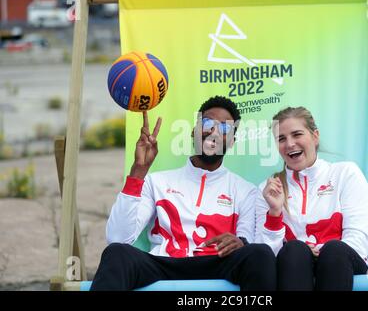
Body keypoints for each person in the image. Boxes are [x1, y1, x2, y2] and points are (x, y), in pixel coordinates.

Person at [91, 96, 276, 291]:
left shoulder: (245, 190)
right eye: (207, 123)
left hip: (217, 264)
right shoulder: (156, 181)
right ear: (194, 131)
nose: (213, 131)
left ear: (231, 142)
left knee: (259, 253)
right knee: (117, 253)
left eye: (224, 128)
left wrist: (241, 242)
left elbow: (245, 239)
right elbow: (118, 238)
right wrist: (138, 172)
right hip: (164, 265)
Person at [255, 106, 368, 291]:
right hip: (294, 268)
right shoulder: (267, 190)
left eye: (297, 134)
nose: (290, 144)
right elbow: (264, 258)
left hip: (342, 265)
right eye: (281, 139)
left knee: (334, 251)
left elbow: (358, 241)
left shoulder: (346, 173)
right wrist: (275, 213)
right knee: (294, 251)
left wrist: (319, 254)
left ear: (315, 136)